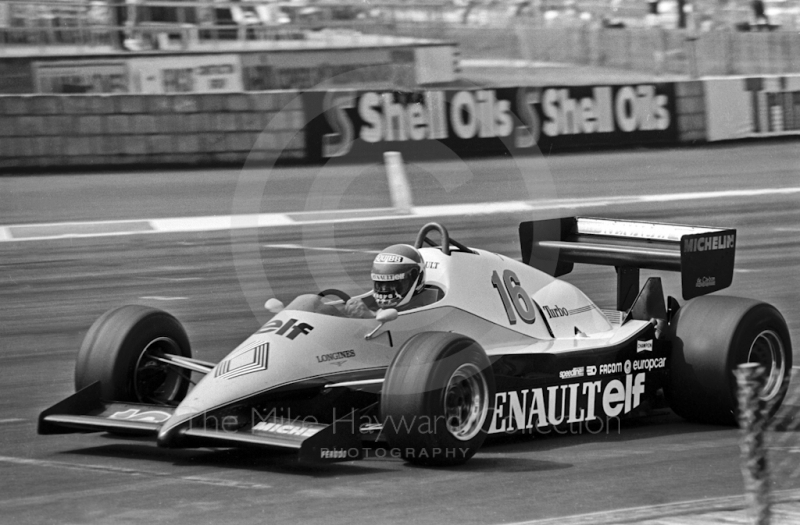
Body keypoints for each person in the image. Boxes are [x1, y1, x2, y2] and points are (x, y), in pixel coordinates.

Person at [344, 244, 427, 319]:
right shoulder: (381, 309)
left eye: (392, 284)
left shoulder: (421, 313)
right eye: (379, 284)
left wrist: (369, 316)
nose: (384, 289)